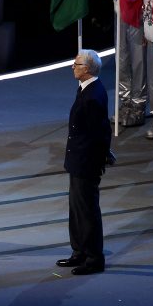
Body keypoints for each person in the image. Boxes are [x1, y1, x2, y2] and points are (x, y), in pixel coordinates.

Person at [57, 49, 112, 276]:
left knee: (87, 211)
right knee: (76, 209)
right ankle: (79, 251)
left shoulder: (93, 96)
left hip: (86, 163)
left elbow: (100, 133)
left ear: (87, 69)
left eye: (76, 64)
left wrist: (100, 159)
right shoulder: (85, 88)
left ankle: (93, 258)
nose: (73, 67)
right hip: (78, 160)